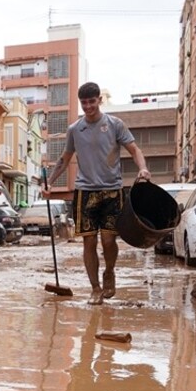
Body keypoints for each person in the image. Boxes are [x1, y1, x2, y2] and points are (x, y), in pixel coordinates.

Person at [45, 82, 151, 305]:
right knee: (89, 242)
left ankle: (109, 272)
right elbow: (65, 157)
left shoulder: (115, 124)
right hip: (85, 191)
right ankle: (95, 288)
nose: (88, 106)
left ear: (99, 100)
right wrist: (50, 183)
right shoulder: (75, 129)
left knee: (109, 239)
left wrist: (142, 168)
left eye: (91, 102)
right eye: (84, 103)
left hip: (112, 190)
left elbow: (134, 149)